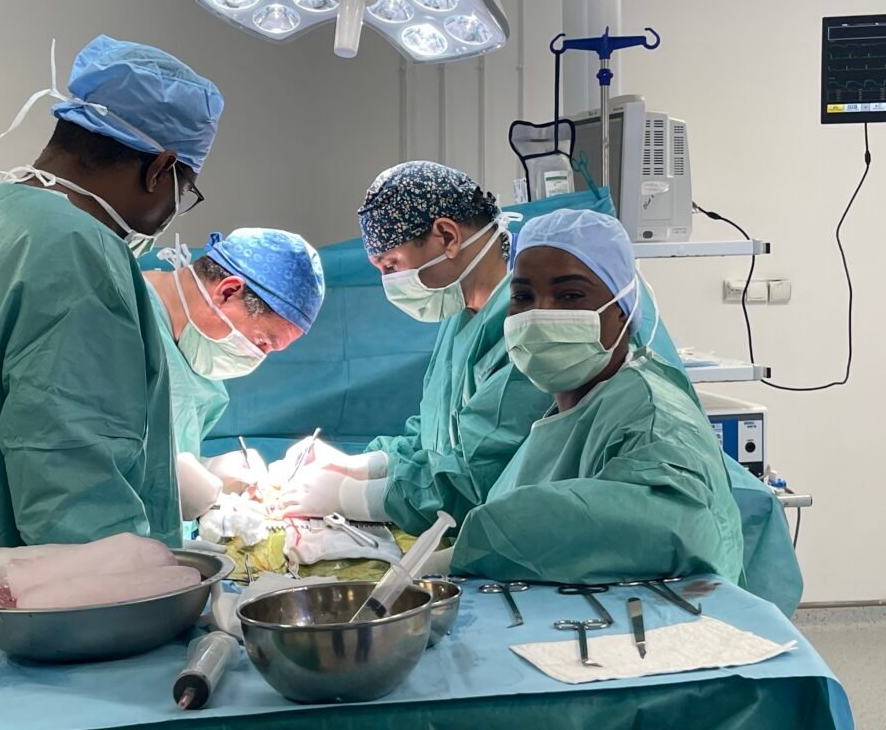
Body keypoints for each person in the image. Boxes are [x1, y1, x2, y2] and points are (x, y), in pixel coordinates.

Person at [0, 35, 223, 663]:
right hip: (49, 638)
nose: (171, 212)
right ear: (159, 169)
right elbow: (77, 505)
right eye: (185, 191)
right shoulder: (77, 252)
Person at [447, 209, 745, 584]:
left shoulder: (653, 422)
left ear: (623, 310)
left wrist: (483, 541)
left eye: (570, 295)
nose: (540, 313)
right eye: (523, 296)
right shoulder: (573, 412)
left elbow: (673, 527)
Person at [278, 161, 554, 532]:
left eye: (391, 265)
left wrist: (352, 496)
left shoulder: (531, 326)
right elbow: (436, 439)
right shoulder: (462, 315)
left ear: (447, 237)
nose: (388, 282)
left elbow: (480, 477)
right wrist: (365, 465)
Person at [144, 229, 324, 523]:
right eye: (262, 342)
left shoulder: (190, 357)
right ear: (227, 292)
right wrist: (167, 480)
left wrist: (212, 469)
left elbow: (157, 451)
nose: (257, 357)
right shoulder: (119, 318)